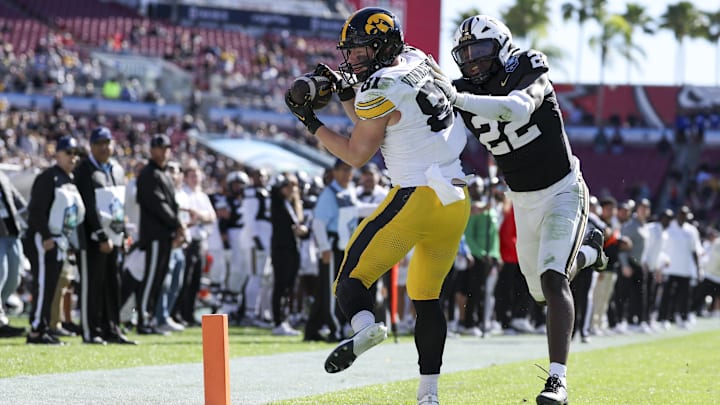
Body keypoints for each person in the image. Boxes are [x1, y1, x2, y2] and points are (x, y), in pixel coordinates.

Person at [285, 7, 471, 404]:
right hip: (455, 200)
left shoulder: (381, 86)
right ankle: (428, 394)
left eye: (359, 51)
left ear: (382, 46)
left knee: (349, 281)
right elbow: (377, 119)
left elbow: (356, 154)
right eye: (349, 52)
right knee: (425, 299)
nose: (351, 59)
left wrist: (310, 121)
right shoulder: (417, 58)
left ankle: (366, 326)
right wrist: (347, 91)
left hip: (416, 195)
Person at [432, 15, 608, 404]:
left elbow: (516, 109)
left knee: (551, 278)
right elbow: (444, 135)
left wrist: (455, 98)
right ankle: (589, 252)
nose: (472, 60)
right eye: (465, 54)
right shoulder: (460, 89)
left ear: (502, 47)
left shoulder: (528, 66)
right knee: (540, 292)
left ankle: (557, 381)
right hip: (521, 200)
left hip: (563, 190)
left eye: (480, 51)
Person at [74, 126, 136, 345]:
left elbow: (118, 205)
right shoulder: (84, 169)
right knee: (92, 285)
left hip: (115, 238)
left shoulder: (117, 169)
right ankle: (91, 330)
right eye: (99, 143)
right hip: (93, 240)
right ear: (91, 146)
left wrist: (122, 233)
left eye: (107, 142)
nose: (104, 147)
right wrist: (100, 236)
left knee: (112, 284)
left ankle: (112, 328)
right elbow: (88, 207)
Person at [25, 136, 85, 344]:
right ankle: (36, 330)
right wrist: (47, 235)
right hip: (44, 239)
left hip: (59, 241)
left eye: (75, 153)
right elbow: (36, 211)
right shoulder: (49, 177)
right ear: (57, 154)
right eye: (68, 152)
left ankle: (43, 327)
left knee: (51, 285)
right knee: (42, 284)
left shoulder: (69, 179)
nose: (73, 157)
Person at [136, 134, 183, 335]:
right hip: (155, 234)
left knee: (159, 279)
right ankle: (143, 319)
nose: (164, 151)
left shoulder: (163, 174)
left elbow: (171, 203)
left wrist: (176, 224)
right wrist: (177, 222)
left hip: (165, 233)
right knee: (151, 278)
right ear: (152, 150)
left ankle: (151, 318)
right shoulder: (149, 174)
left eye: (166, 147)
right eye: (160, 147)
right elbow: (157, 204)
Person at [0, 170, 28, 338]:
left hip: (12, 231)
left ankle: (1, 314)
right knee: (0, 275)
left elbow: (18, 200)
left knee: (14, 278)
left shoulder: (2, 175)